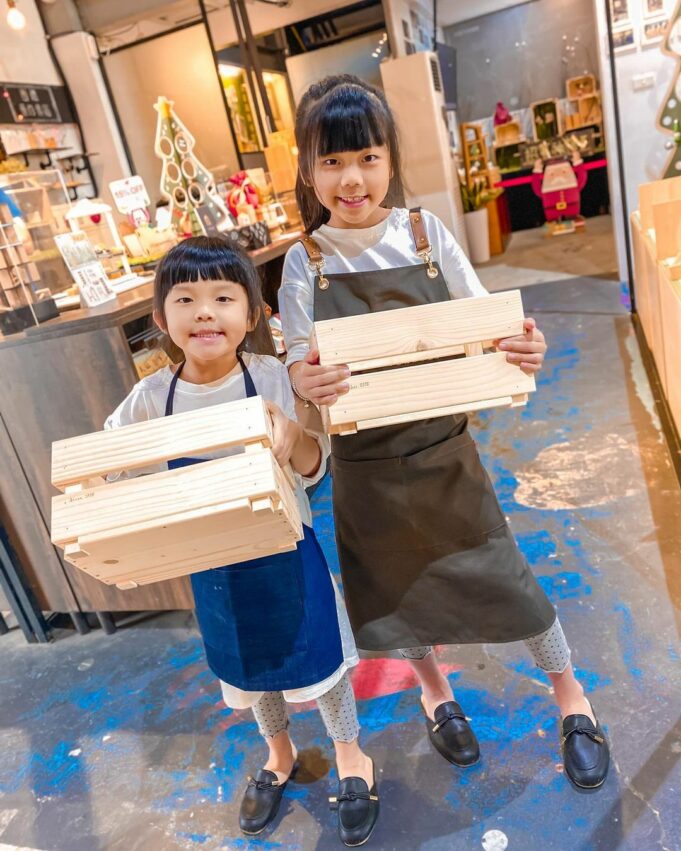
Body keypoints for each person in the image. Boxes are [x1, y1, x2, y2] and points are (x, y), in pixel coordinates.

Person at [279, 76, 610, 791]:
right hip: (363, 467)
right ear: (307, 169)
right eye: (331, 161)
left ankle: (570, 695)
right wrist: (300, 384)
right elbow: (297, 368)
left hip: (445, 452)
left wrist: (523, 344)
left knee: (508, 578)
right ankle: (436, 693)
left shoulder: (426, 236)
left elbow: (493, 326)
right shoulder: (304, 262)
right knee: (396, 594)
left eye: (365, 156)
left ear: (390, 159)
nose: (351, 178)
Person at [105, 237, 379, 846]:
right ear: (161, 319)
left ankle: (350, 754)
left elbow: (314, 467)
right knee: (250, 670)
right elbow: (110, 462)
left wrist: (292, 435)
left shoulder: (273, 377)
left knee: (324, 662)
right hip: (216, 567)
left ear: (251, 316)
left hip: (288, 554)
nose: (206, 311)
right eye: (187, 299)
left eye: (224, 297)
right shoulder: (151, 401)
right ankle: (279, 755)